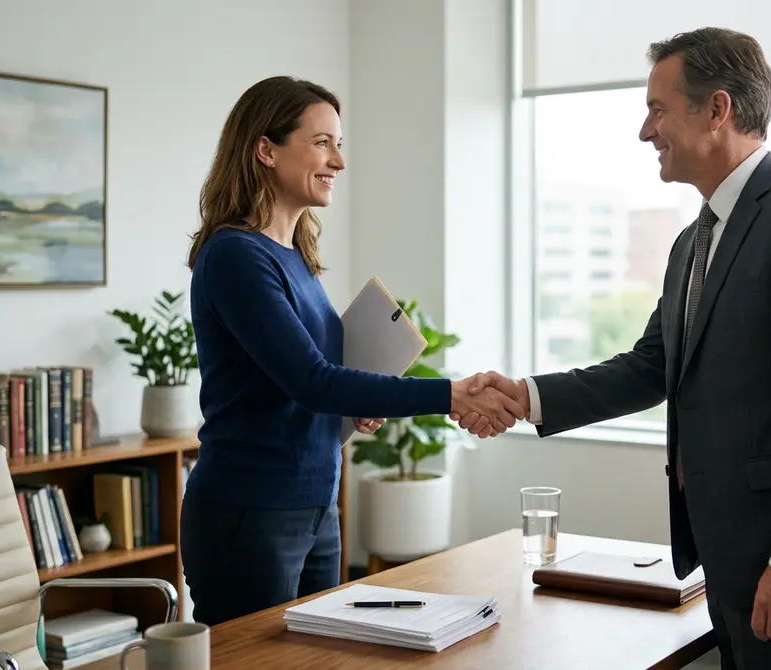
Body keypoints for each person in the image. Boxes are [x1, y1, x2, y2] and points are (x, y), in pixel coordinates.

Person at [456, 28, 771, 670]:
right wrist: (526, 398)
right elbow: (652, 365)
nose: (644, 130)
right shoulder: (694, 239)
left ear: (717, 110)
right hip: (730, 553)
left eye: (657, 109)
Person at [179, 76, 523, 627]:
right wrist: (452, 393)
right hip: (252, 508)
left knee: (322, 659)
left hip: (317, 502)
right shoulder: (236, 256)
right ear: (265, 149)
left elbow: (310, 382)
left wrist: (352, 402)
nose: (338, 160)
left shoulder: (295, 256)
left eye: (339, 144)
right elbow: (312, 381)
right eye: (322, 143)